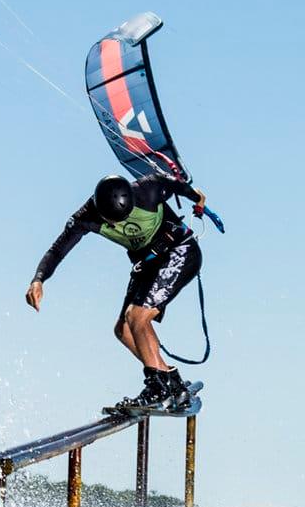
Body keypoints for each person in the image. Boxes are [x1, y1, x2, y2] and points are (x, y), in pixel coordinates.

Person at [24, 172, 208, 412]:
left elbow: (181, 187)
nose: (115, 226)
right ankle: (169, 381)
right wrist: (39, 279)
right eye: (111, 222)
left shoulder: (149, 188)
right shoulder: (85, 216)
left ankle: (157, 386)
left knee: (137, 316)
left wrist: (197, 198)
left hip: (179, 251)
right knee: (123, 329)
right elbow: (58, 249)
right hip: (148, 264)